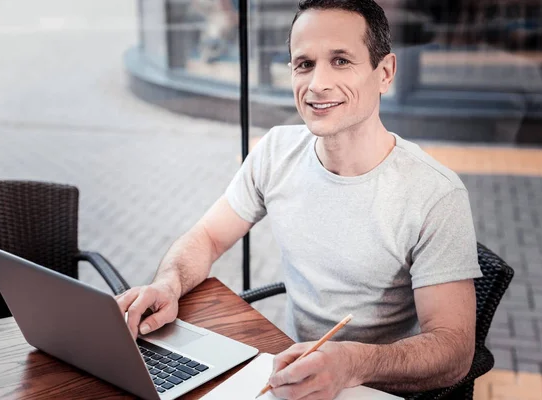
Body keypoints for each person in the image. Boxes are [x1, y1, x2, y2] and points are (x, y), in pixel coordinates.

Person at [116, 0, 482, 398]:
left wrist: (352, 364)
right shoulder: (276, 151)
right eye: (304, 64)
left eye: (340, 60)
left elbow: (454, 350)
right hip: (289, 376)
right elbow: (207, 237)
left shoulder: (435, 194)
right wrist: (168, 284)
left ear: (385, 73)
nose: (317, 84)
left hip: (376, 389)